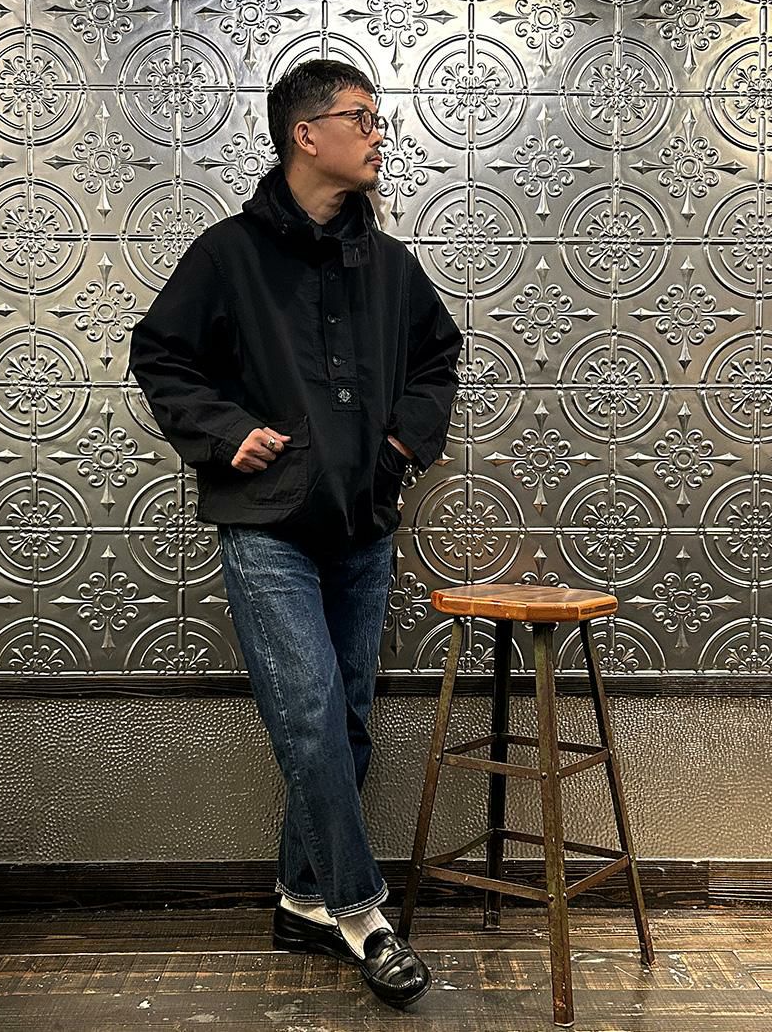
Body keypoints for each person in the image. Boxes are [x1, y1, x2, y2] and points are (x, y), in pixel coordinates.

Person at [127, 58, 462, 1008]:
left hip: (364, 522)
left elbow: (438, 357)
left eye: (378, 118)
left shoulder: (389, 265)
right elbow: (161, 354)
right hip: (268, 521)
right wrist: (225, 432)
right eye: (363, 117)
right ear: (305, 135)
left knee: (344, 718)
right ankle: (363, 914)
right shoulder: (228, 254)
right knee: (309, 712)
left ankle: (301, 898)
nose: (379, 134)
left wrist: (400, 446)